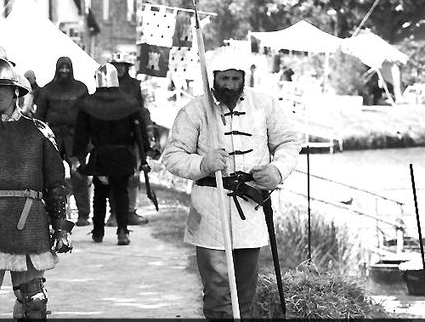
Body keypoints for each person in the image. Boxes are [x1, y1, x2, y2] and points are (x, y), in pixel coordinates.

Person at [161, 51, 300, 319]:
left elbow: (288, 142)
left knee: (245, 293)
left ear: (243, 78)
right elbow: (173, 156)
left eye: (236, 78)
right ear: (213, 77)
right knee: (217, 293)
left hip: (250, 208)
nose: (229, 85)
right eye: (224, 78)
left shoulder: (264, 105)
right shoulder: (195, 111)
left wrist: (277, 170)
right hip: (210, 210)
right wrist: (203, 164)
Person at [0, 53, 74, 319]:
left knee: (35, 301)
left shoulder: (38, 131)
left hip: (30, 222)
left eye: (0, 87)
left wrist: (62, 228)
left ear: (15, 90)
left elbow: (56, 184)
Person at [72, 63, 151, 245]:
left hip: (101, 155)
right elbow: (140, 133)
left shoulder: (88, 104)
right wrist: (144, 152)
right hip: (122, 155)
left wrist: (78, 157)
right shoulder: (130, 103)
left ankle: (98, 232)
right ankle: (122, 231)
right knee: (121, 192)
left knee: (100, 193)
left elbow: (81, 135)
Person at [102, 55, 160, 228]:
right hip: (111, 134)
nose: (119, 69)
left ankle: (130, 212)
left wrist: (146, 138)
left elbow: (141, 110)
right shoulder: (105, 83)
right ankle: (113, 214)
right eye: (116, 65)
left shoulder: (134, 85)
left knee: (133, 176)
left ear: (127, 67)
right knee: (112, 176)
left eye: (122, 66)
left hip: (132, 134)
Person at [34, 56, 91, 226]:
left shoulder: (81, 89)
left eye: (67, 68)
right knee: (52, 177)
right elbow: (40, 117)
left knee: (79, 176)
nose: (64, 71)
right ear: (57, 69)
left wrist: (88, 141)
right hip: (54, 138)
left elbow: (87, 116)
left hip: (75, 139)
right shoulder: (47, 90)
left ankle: (83, 214)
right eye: (62, 68)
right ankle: (55, 215)